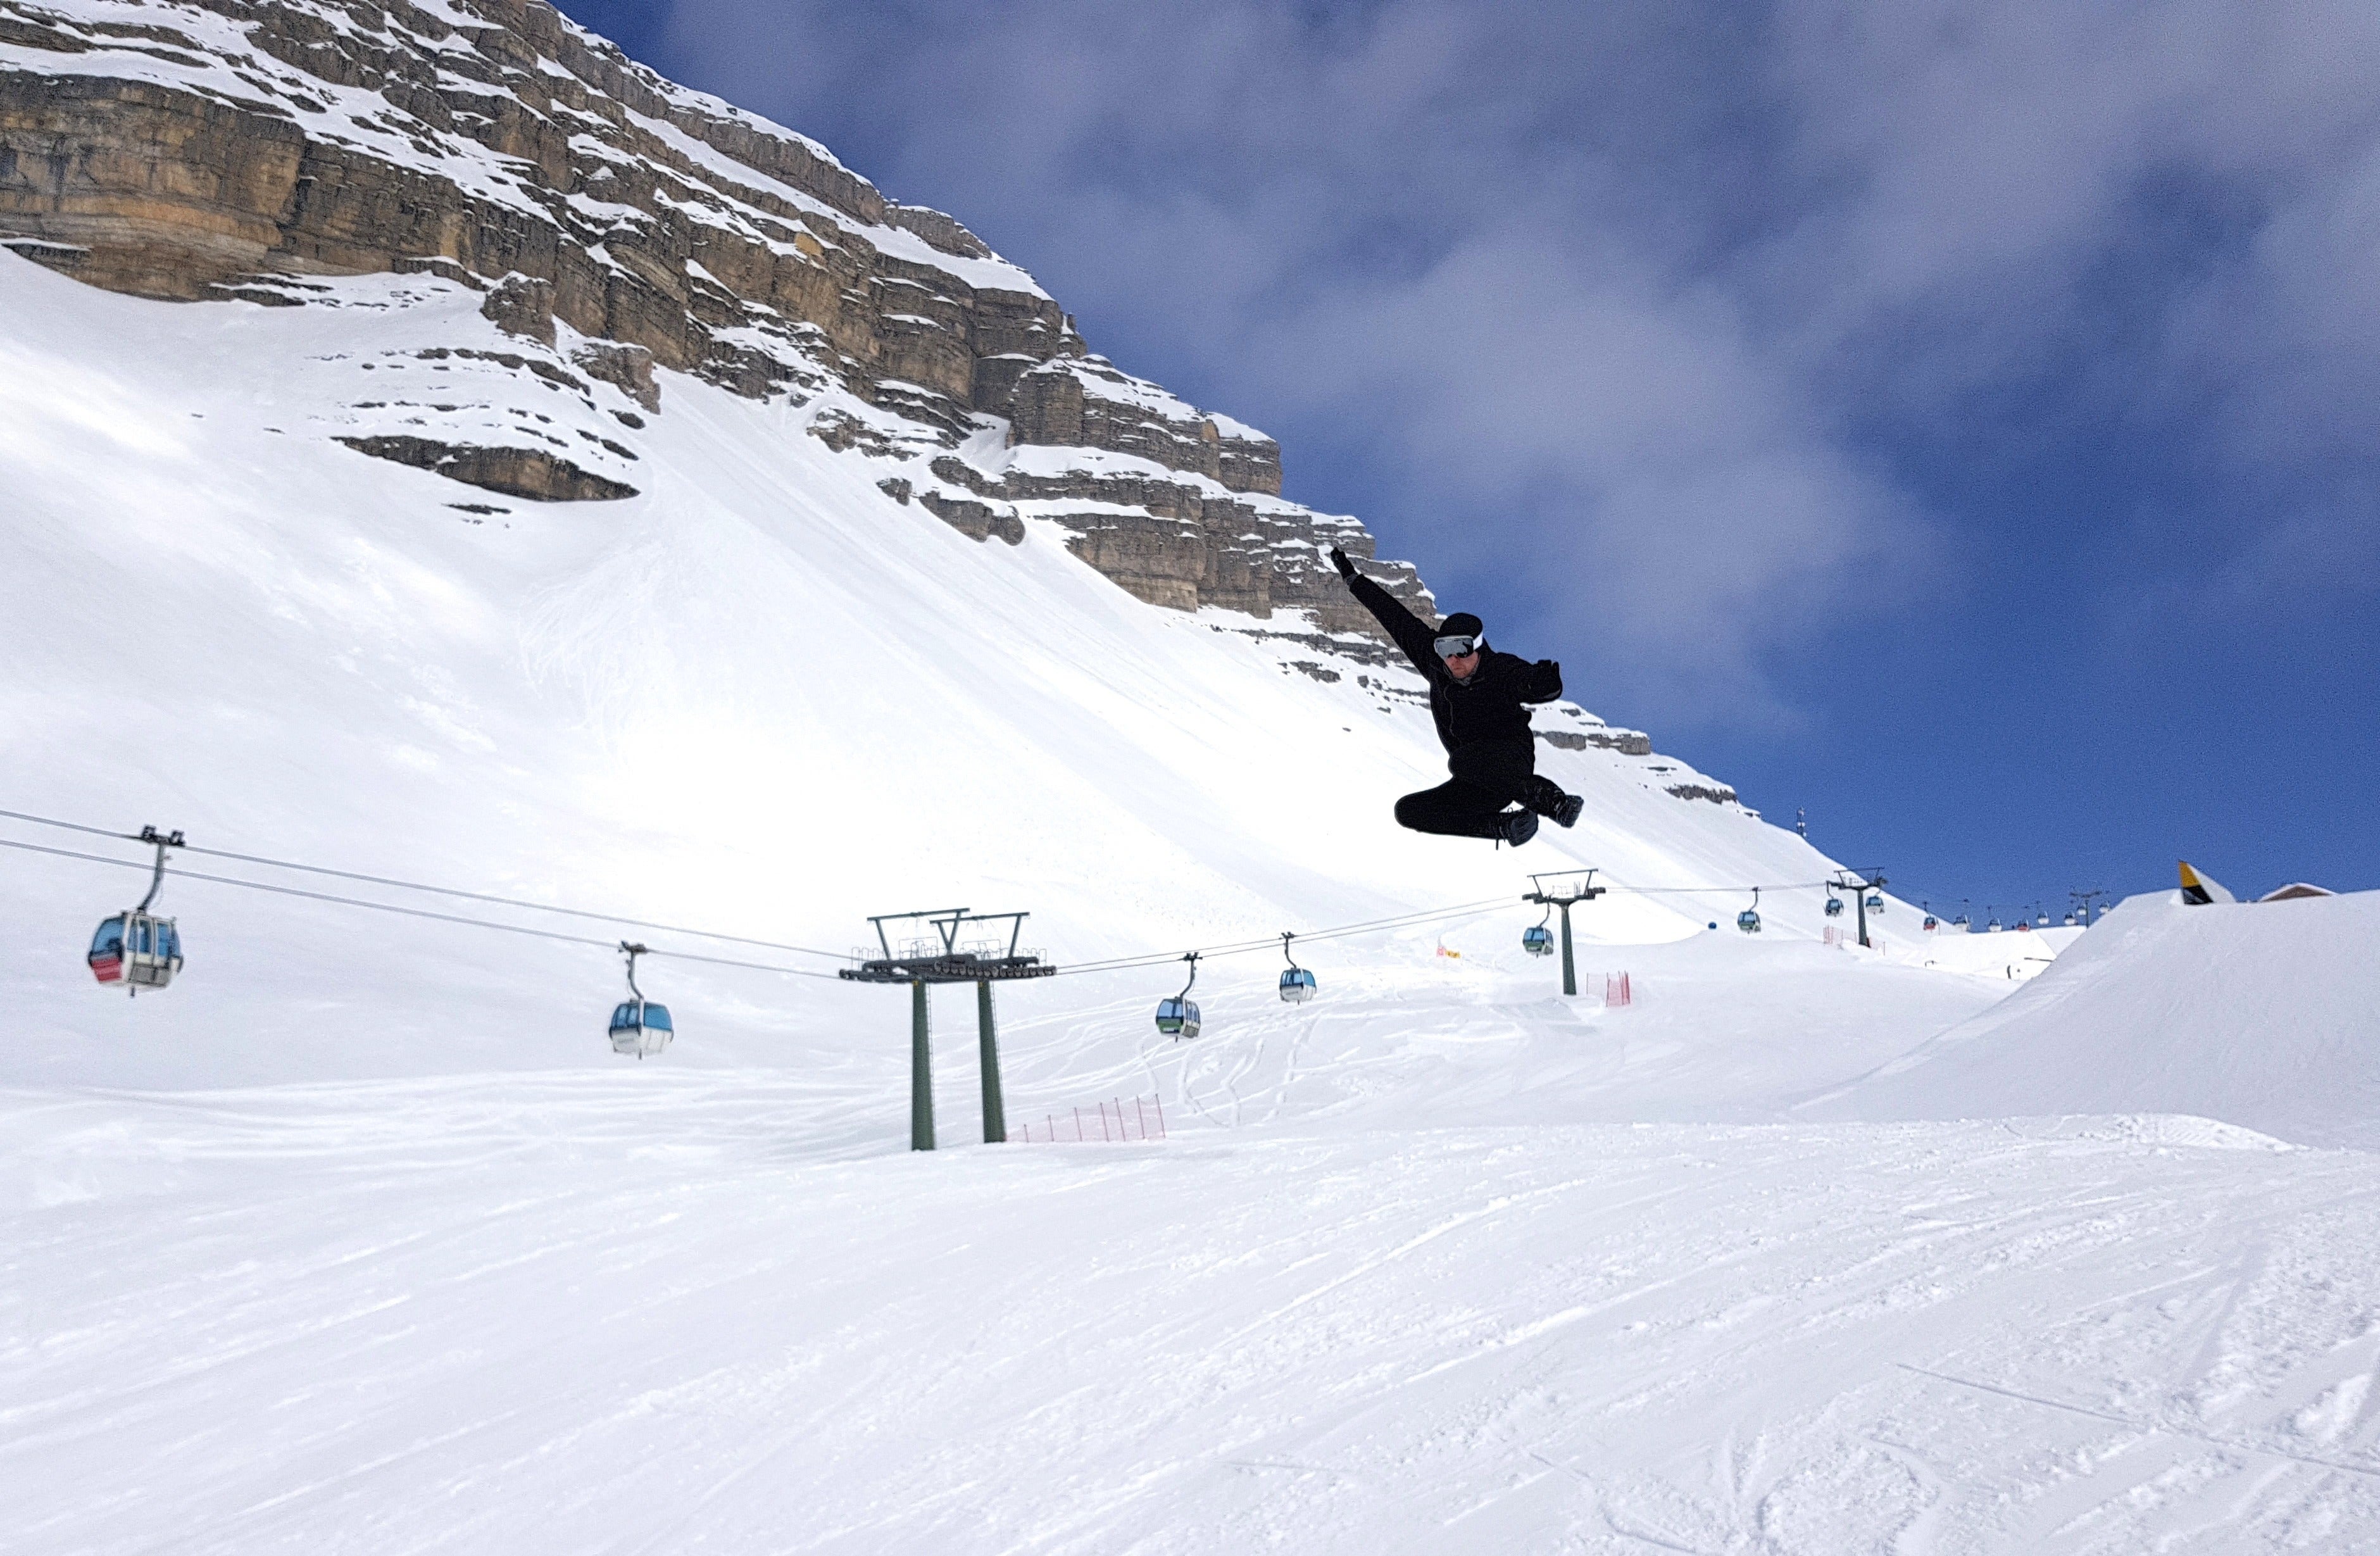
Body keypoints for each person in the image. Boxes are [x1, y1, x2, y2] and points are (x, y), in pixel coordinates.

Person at [1330, 546, 1584, 846]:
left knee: (1464, 761)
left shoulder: (1499, 669)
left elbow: (1529, 682)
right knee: (1409, 811)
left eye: (1461, 650)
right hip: (1476, 780)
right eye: (1444, 650)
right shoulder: (1436, 665)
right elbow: (1396, 618)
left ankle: (1555, 803)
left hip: (1510, 764)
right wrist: (1353, 579)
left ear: (1477, 647)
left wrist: (1545, 684)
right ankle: (1505, 827)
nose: (1453, 660)